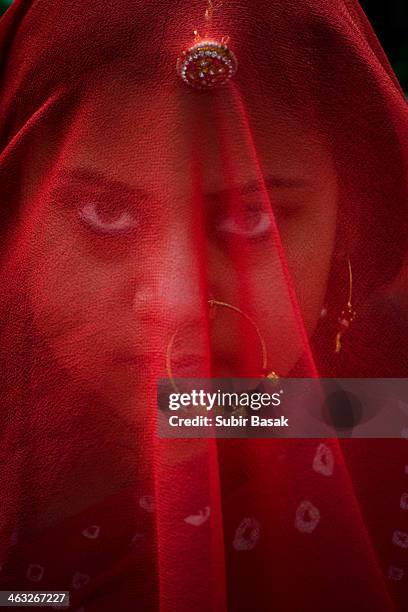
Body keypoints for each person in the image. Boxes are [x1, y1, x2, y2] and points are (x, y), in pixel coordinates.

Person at [0, 0, 407, 609]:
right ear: (13, 217)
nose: (177, 303)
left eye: (251, 217)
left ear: (348, 227)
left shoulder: (380, 414)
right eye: (106, 214)